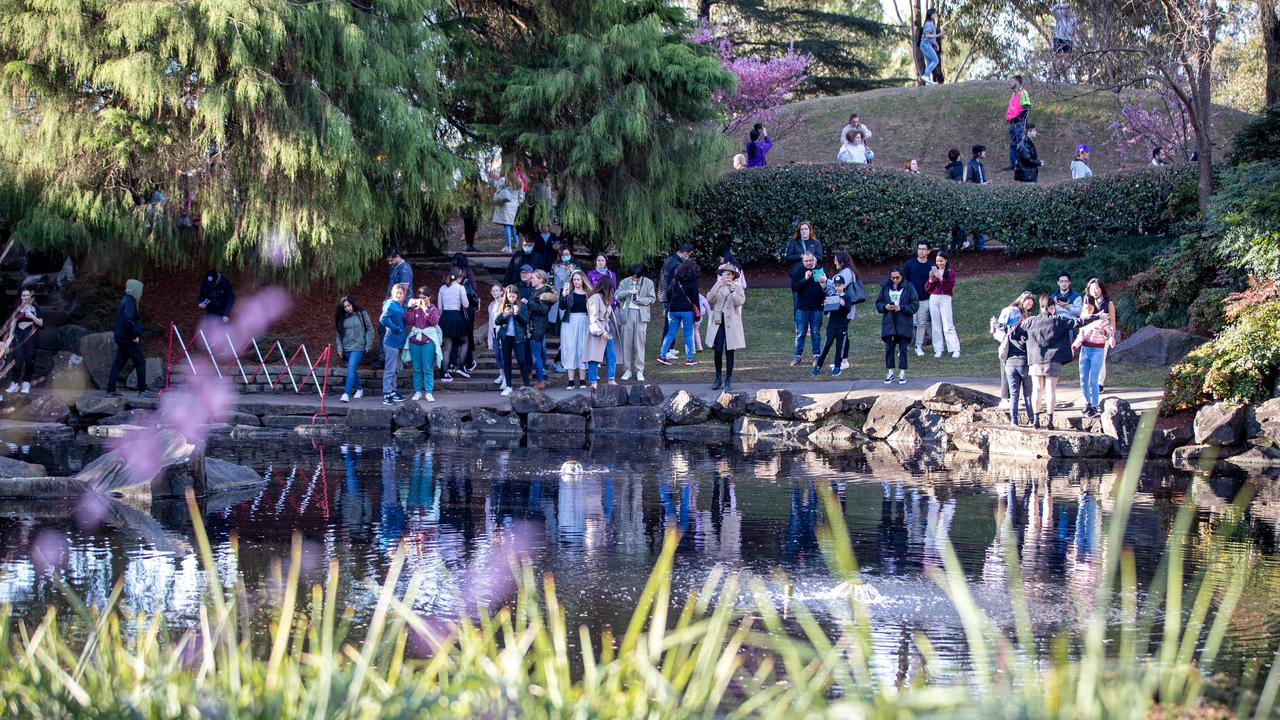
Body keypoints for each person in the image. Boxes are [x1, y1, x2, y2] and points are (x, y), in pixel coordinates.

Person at [1023, 294, 1099, 428]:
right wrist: (1097, 316)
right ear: (1052, 307)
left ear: (1041, 307)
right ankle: (1050, 421)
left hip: (1035, 360)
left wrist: (998, 325)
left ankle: (1035, 420)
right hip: (1053, 360)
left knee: (1037, 389)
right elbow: (1078, 322)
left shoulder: (1030, 321)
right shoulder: (1058, 320)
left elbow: (1016, 331)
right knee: (1050, 390)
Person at [105, 280, 155, 398]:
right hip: (128, 338)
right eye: (140, 290)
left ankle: (110, 389)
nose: (141, 293)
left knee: (119, 363)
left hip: (121, 337)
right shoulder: (131, 301)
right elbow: (128, 320)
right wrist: (134, 336)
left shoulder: (124, 300)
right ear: (135, 289)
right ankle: (142, 390)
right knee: (140, 362)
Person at [1077, 278, 1118, 415]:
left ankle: (1099, 384)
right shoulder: (1087, 300)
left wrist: (1111, 335)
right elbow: (1082, 319)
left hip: (1101, 338)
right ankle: (1088, 402)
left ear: (1101, 288)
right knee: (1084, 376)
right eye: (1092, 288)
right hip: (1086, 339)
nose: (1095, 290)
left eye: (1097, 288)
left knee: (1099, 362)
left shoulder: (1108, 302)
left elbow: (1112, 320)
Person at [705, 264, 746, 390]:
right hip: (718, 322)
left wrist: (732, 289)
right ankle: (718, 378)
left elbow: (740, 301)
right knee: (717, 351)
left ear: (733, 276)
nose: (725, 276)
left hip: (731, 324)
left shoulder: (738, 287)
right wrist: (716, 287)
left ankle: (728, 380)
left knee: (729, 352)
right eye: (723, 274)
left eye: (728, 274)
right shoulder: (717, 286)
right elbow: (710, 299)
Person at [999, 292, 1037, 425]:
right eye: (1028, 302)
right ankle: (1032, 419)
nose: (1029, 305)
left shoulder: (1008, 330)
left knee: (1014, 394)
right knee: (1027, 394)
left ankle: (1014, 421)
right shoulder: (1026, 329)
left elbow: (1000, 328)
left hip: (1009, 364)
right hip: (1023, 363)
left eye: (1031, 304)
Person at [876, 268, 919, 385]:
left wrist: (902, 308)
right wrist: (885, 307)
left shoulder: (909, 287)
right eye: (892, 277)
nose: (895, 280)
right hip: (889, 322)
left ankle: (902, 373)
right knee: (889, 348)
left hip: (904, 322)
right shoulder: (885, 287)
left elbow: (915, 305)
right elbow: (878, 303)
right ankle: (890, 372)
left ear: (902, 276)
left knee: (903, 349)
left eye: (897, 277)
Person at [615, 264, 655, 382]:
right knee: (626, 343)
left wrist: (640, 301)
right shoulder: (624, 282)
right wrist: (628, 291)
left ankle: (639, 370)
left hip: (641, 315)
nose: (634, 279)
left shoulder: (648, 283)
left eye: (637, 277)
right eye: (633, 276)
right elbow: (617, 295)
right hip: (626, 314)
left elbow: (652, 298)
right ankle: (627, 369)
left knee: (640, 343)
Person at [658, 259, 700, 366]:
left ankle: (662, 355)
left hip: (673, 310)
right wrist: (697, 314)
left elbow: (668, 294)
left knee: (670, 333)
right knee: (688, 335)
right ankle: (689, 359)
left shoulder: (675, 280)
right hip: (687, 311)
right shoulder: (693, 282)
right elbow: (695, 299)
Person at [334, 295, 374, 403]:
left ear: (352, 304)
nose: (347, 308)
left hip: (359, 347)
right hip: (346, 348)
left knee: (351, 367)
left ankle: (346, 394)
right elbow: (339, 334)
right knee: (352, 369)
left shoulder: (361, 314)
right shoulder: (342, 318)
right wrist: (339, 347)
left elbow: (370, 329)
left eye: (349, 305)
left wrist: (368, 344)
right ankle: (359, 389)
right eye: (345, 307)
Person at [404, 287, 441, 402]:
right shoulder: (415, 309)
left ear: (429, 297)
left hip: (428, 341)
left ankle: (429, 392)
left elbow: (434, 322)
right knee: (416, 368)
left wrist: (425, 309)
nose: (421, 300)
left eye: (424, 298)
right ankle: (418, 391)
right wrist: (409, 308)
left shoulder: (433, 309)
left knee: (428, 368)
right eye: (419, 298)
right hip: (415, 341)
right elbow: (408, 321)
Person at [789, 252, 825, 366]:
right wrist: (805, 279)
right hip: (802, 308)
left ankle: (816, 356)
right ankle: (797, 356)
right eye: (806, 261)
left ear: (813, 259)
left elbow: (826, 286)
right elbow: (794, 287)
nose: (808, 263)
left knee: (815, 333)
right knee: (800, 333)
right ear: (802, 261)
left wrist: (824, 283)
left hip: (817, 308)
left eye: (810, 260)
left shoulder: (820, 270)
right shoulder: (798, 271)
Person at [813, 275, 853, 377]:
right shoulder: (832, 296)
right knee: (826, 346)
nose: (837, 287)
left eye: (839, 285)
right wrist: (825, 304)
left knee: (840, 347)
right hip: (831, 326)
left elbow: (847, 310)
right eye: (835, 285)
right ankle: (818, 366)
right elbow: (826, 311)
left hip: (842, 326)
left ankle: (837, 367)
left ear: (843, 285)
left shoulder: (847, 297)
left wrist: (843, 304)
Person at [828, 250, 862, 370]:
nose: (835, 262)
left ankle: (844, 361)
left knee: (842, 334)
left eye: (836, 260)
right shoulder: (845, 271)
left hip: (844, 308)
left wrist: (824, 280)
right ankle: (841, 360)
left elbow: (838, 285)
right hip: (840, 308)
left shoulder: (847, 272)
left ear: (842, 261)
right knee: (841, 334)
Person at [494, 285, 530, 396]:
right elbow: (497, 321)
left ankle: (527, 385)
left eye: (513, 297)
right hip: (505, 337)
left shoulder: (522, 306)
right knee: (506, 361)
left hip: (518, 337)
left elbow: (525, 321)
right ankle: (508, 385)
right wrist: (504, 314)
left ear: (517, 296)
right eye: (510, 297)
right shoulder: (503, 305)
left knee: (521, 361)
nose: (511, 299)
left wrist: (517, 313)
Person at [925, 250, 961, 358]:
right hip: (934, 298)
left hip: (945, 298)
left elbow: (948, 287)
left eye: (941, 261)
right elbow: (927, 288)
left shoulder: (950, 272)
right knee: (936, 325)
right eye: (937, 261)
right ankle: (938, 349)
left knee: (948, 325)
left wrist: (940, 278)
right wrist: (931, 280)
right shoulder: (933, 272)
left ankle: (955, 349)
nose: (939, 263)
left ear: (945, 261)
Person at [5, 288, 42, 394]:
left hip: (31, 335)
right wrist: (10, 337)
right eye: (24, 295)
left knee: (29, 360)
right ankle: (14, 383)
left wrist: (32, 316)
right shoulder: (16, 309)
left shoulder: (34, 308)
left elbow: (40, 323)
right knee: (17, 360)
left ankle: (26, 383)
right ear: (20, 297)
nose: (26, 297)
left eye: (27, 295)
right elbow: (13, 324)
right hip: (19, 335)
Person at [584, 275, 617, 389]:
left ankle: (611, 379)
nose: (611, 290)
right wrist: (601, 332)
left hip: (607, 330)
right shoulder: (595, 298)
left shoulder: (606, 298)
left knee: (611, 355)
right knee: (594, 357)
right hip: (597, 331)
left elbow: (608, 315)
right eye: (610, 288)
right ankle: (593, 382)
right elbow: (593, 317)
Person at [559, 270, 591, 388]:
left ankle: (582, 381)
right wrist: (563, 296)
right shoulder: (568, 293)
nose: (576, 281)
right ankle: (571, 381)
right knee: (570, 348)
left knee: (583, 349)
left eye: (578, 279)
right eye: (574, 279)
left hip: (584, 321)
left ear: (583, 280)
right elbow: (562, 307)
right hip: (570, 322)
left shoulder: (589, 293)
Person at [436, 270, 470, 383]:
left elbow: (439, 308)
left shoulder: (442, 288)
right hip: (456, 316)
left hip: (445, 317)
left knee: (447, 347)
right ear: (459, 277)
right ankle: (460, 366)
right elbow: (466, 304)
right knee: (465, 341)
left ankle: (444, 372)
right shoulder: (460, 288)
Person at [450, 253, 480, 374]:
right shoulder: (468, 273)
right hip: (466, 311)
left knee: (453, 337)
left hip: (453, 309)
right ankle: (467, 363)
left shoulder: (451, 272)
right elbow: (473, 291)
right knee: (466, 337)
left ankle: (452, 363)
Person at [526, 270, 556, 389]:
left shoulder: (545, 292)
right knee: (536, 352)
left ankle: (540, 380)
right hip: (534, 324)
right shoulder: (536, 291)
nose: (531, 279)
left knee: (536, 354)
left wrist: (529, 302)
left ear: (540, 279)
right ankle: (537, 376)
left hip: (538, 325)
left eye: (533, 278)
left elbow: (543, 310)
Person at [379, 284, 409, 405]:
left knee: (395, 369)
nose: (399, 295)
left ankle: (392, 392)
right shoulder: (391, 304)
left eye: (401, 293)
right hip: (391, 342)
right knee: (390, 370)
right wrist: (395, 328)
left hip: (398, 343)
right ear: (392, 293)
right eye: (397, 292)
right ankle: (387, 394)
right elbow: (383, 319)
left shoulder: (399, 306)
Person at [902, 242, 933, 356]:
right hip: (910, 300)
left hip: (924, 299)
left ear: (928, 251)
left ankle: (918, 346)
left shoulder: (931, 266)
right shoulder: (909, 265)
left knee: (921, 324)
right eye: (919, 249)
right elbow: (903, 281)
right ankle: (903, 347)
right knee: (907, 323)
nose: (921, 251)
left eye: (924, 249)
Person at [491, 170, 525, 253]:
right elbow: (521, 196)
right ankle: (517, 243)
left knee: (507, 225)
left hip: (506, 204)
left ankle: (508, 247)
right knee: (512, 225)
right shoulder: (520, 181)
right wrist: (518, 204)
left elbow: (498, 191)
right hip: (515, 205)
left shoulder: (503, 180)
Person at [1003, 75, 1032, 172]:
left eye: (1012, 81)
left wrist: (1019, 119)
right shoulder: (1013, 95)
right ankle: (1014, 164)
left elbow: (1027, 108)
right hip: (1012, 124)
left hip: (1019, 123)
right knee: (1012, 144)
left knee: (1021, 144)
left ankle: (1022, 164)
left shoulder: (1023, 93)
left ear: (1017, 82)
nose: (1010, 83)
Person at [485, 284, 505, 388]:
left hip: (502, 332)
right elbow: (490, 322)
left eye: (497, 290)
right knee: (497, 354)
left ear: (502, 292)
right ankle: (501, 374)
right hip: (494, 333)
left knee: (503, 355)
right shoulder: (491, 305)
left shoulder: (504, 304)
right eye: (493, 291)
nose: (494, 293)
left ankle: (506, 377)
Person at [919, 9, 942, 85]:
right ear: (931, 15)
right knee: (935, 60)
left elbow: (931, 37)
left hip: (926, 44)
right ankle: (925, 75)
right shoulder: (928, 24)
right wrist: (937, 35)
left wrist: (935, 44)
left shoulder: (931, 23)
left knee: (929, 63)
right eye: (935, 13)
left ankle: (927, 81)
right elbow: (927, 35)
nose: (936, 15)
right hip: (925, 45)